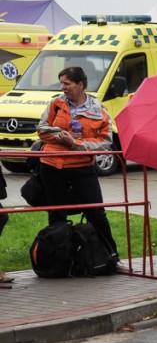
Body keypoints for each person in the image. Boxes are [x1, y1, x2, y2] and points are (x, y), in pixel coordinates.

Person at [36, 66, 118, 260]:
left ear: (81, 85)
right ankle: (59, 261)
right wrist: (61, 138)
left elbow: (106, 142)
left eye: (67, 83)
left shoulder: (98, 110)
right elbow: (41, 130)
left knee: (96, 213)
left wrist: (76, 144)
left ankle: (111, 256)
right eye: (61, 83)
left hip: (81, 166)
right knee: (56, 214)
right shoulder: (56, 103)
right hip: (52, 165)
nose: (63, 87)